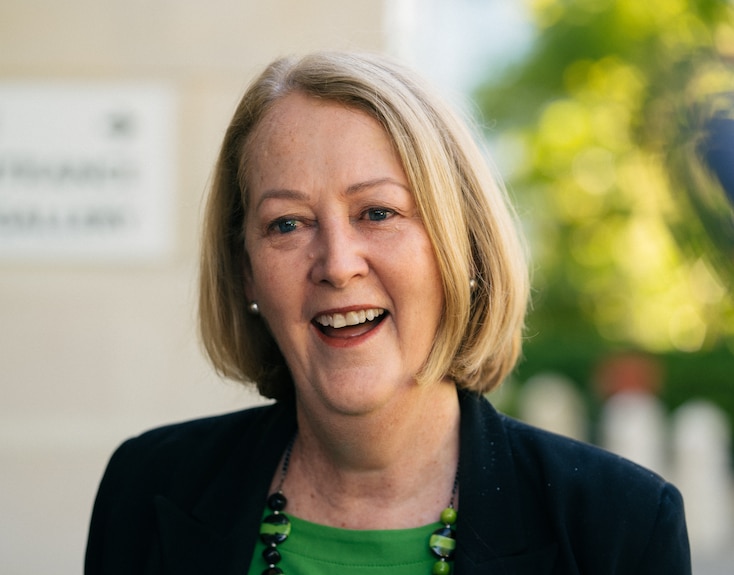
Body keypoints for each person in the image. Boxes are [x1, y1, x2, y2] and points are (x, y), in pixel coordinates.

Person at [85, 51, 691, 574]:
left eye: (378, 212)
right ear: (245, 269)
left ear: (461, 245)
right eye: (287, 224)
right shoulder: (146, 488)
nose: (337, 264)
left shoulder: (621, 528)